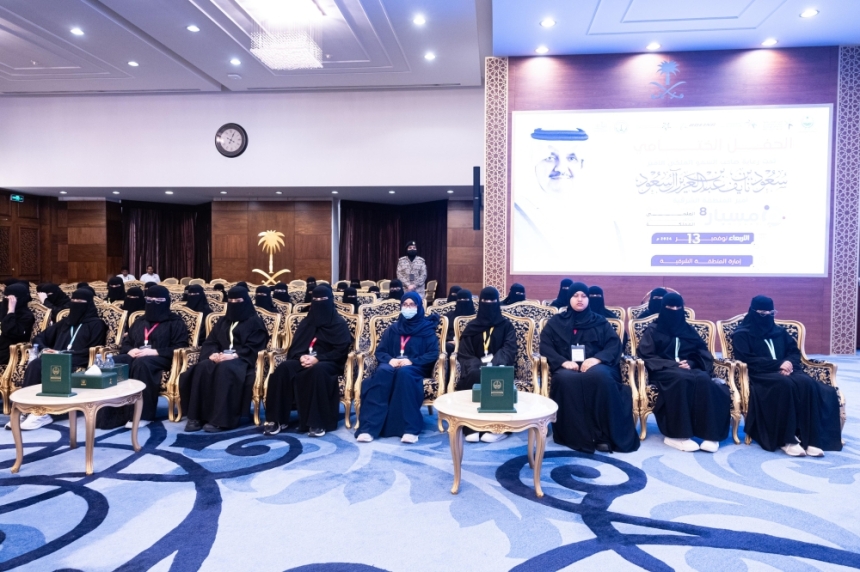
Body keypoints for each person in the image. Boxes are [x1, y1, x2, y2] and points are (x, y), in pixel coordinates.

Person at [731, 296, 842, 456]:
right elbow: (746, 358)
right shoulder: (742, 334)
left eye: (771, 313)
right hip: (760, 374)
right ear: (753, 312)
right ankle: (787, 440)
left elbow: (794, 352)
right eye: (762, 314)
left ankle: (810, 439)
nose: (767, 317)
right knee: (785, 385)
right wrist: (777, 365)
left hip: (787, 370)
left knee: (807, 383)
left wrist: (788, 364)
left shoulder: (780, 332)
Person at [541, 282, 639, 454]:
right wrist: (562, 362)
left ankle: (602, 436)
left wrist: (597, 359)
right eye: (575, 296)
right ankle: (576, 436)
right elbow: (545, 346)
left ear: (588, 299)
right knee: (565, 379)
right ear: (569, 298)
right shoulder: (556, 322)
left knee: (600, 377)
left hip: (597, 366)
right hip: (567, 366)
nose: (580, 299)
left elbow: (613, 345)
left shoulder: (600, 321)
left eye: (584, 296)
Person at [636, 293, 730, 453]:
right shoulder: (653, 330)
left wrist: (691, 363)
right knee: (681, 378)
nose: (674, 310)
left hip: (689, 369)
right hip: (664, 370)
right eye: (670, 307)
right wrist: (673, 364)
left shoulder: (688, 330)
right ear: (663, 308)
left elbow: (702, 353)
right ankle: (676, 436)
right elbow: (646, 355)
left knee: (703, 378)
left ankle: (710, 434)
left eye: (678, 307)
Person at [263, 285, 352, 437]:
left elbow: (340, 351)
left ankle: (318, 422)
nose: (319, 302)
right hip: (304, 359)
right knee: (284, 368)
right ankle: (276, 419)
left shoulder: (338, 323)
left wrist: (318, 359)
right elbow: (296, 347)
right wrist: (301, 356)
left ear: (330, 300)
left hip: (328, 362)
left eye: (323, 299)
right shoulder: (306, 322)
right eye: (316, 299)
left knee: (317, 371)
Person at [97, 286, 189, 429]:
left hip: (161, 358)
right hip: (137, 355)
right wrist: (130, 350)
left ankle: (142, 415)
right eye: (150, 300)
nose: (153, 304)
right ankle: (112, 415)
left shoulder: (175, 322)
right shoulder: (140, 321)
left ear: (166, 301)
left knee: (142, 364)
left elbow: (180, 346)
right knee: (115, 362)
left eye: (158, 301)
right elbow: (126, 343)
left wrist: (155, 352)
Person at [180, 287, 268, 432]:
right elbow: (211, 341)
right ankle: (196, 417)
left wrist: (234, 355)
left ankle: (221, 420)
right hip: (220, 357)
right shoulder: (223, 321)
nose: (234, 303)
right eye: (231, 301)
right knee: (201, 367)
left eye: (237, 301)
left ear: (246, 301)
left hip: (241, 360)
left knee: (225, 369)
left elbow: (255, 346)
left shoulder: (255, 322)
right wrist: (213, 354)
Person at [355, 292, 439, 443]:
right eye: (405, 305)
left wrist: (411, 361)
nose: (408, 308)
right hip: (392, 364)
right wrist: (390, 360)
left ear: (419, 307)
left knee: (405, 374)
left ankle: (409, 429)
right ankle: (369, 428)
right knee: (382, 372)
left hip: (415, 367)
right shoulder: (393, 329)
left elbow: (433, 353)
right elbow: (380, 351)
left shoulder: (427, 330)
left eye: (412, 305)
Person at [19, 288, 107, 430]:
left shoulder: (97, 324)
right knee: (36, 364)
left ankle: (43, 413)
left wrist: (64, 353)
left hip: (78, 359)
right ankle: (26, 409)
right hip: (56, 357)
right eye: (73, 300)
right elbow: (39, 337)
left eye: (80, 301)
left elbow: (94, 349)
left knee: (49, 365)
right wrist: (45, 349)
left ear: (88, 304)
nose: (76, 304)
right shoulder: (65, 322)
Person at [455, 287, 518, 443]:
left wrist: (493, 364)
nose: (488, 303)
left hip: (499, 367)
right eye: (485, 301)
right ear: (480, 303)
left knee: (495, 376)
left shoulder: (506, 326)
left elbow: (509, 349)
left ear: (497, 302)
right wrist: (477, 365)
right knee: (475, 374)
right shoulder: (472, 326)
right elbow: (465, 352)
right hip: (475, 368)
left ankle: (498, 428)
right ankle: (472, 427)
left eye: (492, 300)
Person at [0, 283, 36, 366]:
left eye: (11, 299)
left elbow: (11, 331)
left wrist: (11, 311)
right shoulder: (2, 309)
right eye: (5, 297)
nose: (7, 301)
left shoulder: (26, 316)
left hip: (10, 350)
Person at [443, 288, 475, 354]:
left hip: (471, 344)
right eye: (460, 300)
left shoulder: (475, 317)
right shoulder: (448, 316)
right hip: (452, 343)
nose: (463, 302)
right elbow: (443, 332)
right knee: (447, 347)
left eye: (466, 300)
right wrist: (450, 341)